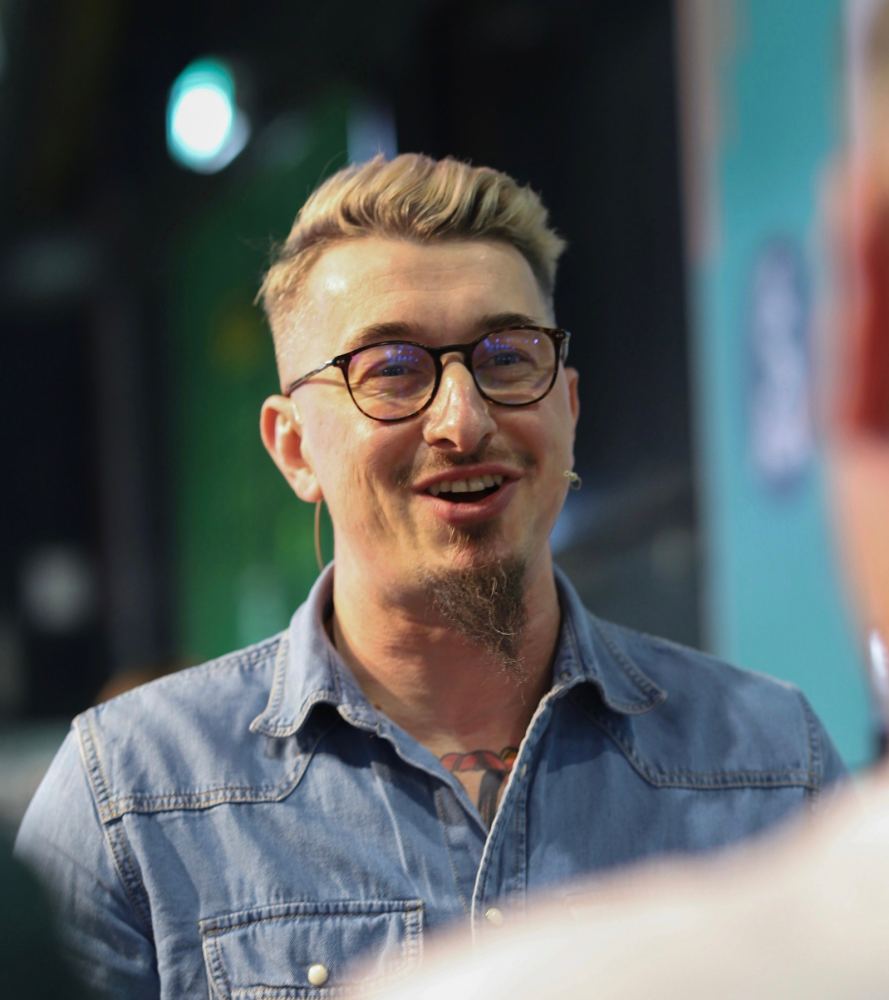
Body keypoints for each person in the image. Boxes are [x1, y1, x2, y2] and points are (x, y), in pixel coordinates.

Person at [14, 154, 845, 998]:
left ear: (568, 405)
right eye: (392, 371)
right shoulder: (132, 800)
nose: (464, 419)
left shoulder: (772, 763)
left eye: (509, 356)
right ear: (293, 446)